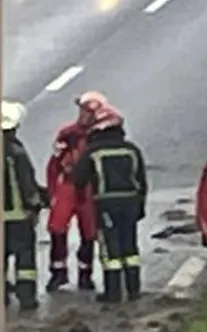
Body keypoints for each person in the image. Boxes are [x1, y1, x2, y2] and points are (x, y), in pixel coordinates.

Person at [72, 104, 147, 305]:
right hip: (131, 203)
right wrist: (140, 207)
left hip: (106, 205)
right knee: (130, 247)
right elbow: (142, 181)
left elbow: (78, 179)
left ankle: (113, 293)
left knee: (110, 249)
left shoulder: (93, 151)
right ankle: (134, 289)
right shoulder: (132, 150)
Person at [45, 91, 106, 292]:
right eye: (82, 110)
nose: (84, 115)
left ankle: (85, 274)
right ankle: (58, 272)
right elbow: (54, 164)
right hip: (68, 185)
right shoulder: (67, 133)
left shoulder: (101, 136)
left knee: (89, 231)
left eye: (88, 111)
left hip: (89, 188)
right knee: (57, 227)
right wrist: (53, 190)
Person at [3, 101, 45, 312]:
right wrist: (37, 203)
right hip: (18, 217)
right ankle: (27, 298)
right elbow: (26, 184)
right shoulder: (16, 152)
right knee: (25, 261)